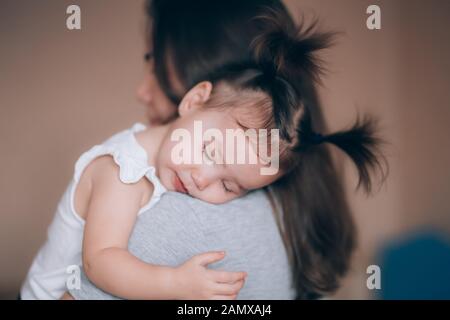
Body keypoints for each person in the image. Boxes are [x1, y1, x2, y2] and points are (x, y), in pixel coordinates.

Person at [21, 4, 385, 300]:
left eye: (230, 187)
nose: (201, 179)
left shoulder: (185, 163)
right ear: (194, 100)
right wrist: (173, 285)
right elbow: (99, 262)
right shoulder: (122, 169)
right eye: (210, 151)